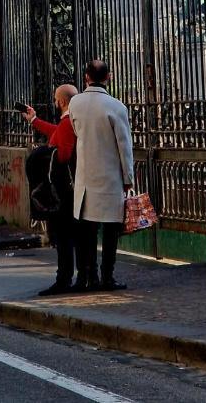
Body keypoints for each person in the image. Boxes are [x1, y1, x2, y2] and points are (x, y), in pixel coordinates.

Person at [69, 59, 134, 292]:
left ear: (86, 77)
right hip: (110, 178)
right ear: (109, 77)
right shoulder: (117, 107)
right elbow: (124, 147)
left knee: (87, 231)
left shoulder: (75, 103)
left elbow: (77, 132)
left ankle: (89, 275)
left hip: (85, 177)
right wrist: (128, 178)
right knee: (110, 232)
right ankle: (108, 276)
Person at [23, 84, 78, 295]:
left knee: (63, 237)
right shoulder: (70, 123)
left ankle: (64, 279)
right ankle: (71, 277)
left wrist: (47, 154)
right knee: (68, 237)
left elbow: (62, 155)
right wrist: (34, 121)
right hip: (70, 188)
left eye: (56, 99)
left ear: (62, 101)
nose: (55, 103)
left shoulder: (68, 123)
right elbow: (55, 131)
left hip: (62, 190)